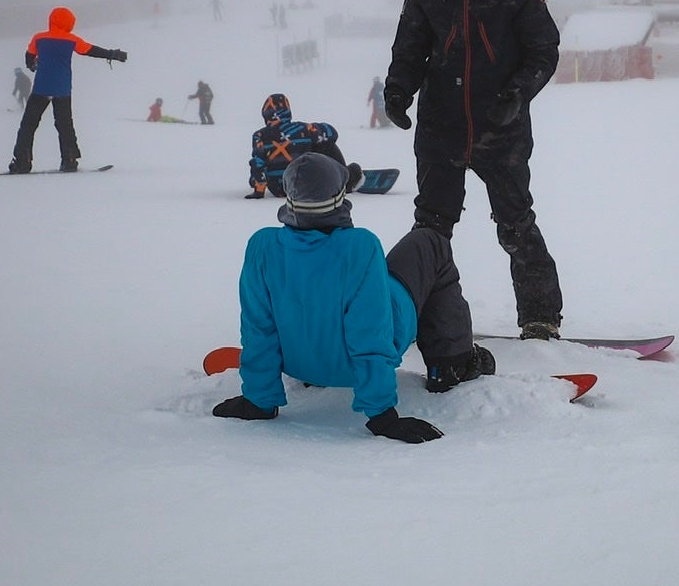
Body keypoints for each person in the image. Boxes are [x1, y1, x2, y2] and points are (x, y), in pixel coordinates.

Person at [212, 153, 495, 441]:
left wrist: (259, 400)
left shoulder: (262, 246)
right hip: (356, 361)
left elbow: (257, 328)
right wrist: (383, 415)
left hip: (301, 363)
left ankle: (307, 369)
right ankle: (452, 364)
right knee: (430, 243)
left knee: (339, 283)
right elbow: (369, 333)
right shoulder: (360, 247)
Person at [384, 0, 564, 340]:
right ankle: (408, 316)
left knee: (516, 223)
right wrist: (397, 90)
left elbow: (544, 50)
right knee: (430, 230)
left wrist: (517, 95)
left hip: (500, 131)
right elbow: (408, 51)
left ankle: (540, 318)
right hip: (440, 131)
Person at [8, 6, 127, 173]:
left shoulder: (39, 38)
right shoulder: (72, 40)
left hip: (41, 88)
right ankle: (70, 160)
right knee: (65, 125)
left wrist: (33, 65)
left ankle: (22, 162)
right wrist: (113, 54)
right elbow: (91, 50)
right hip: (62, 89)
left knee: (28, 125)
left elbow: (29, 57)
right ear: (70, 23)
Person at [247, 92, 363, 198]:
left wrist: (259, 192)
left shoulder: (259, 135)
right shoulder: (303, 129)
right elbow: (332, 133)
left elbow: (258, 163)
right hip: (304, 187)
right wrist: (312, 132)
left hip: (278, 189)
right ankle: (344, 180)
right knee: (326, 144)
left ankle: (338, 177)